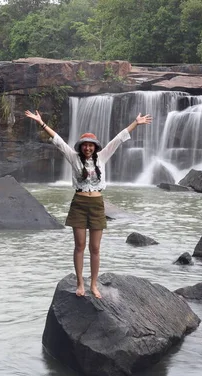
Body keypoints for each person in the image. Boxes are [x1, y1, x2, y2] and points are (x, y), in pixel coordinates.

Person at [25, 109, 152, 298]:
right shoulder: (73, 157)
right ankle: (80, 283)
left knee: (95, 248)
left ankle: (93, 284)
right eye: (85, 145)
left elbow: (118, 139)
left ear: (95, 147)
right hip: (79, 203)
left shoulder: (102, 157)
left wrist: (135, 123)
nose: (88, 148)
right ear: (80, 147)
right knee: (79, 246)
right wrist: (41, 122)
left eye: (91, 145)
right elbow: (58, 141)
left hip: (97, 204)